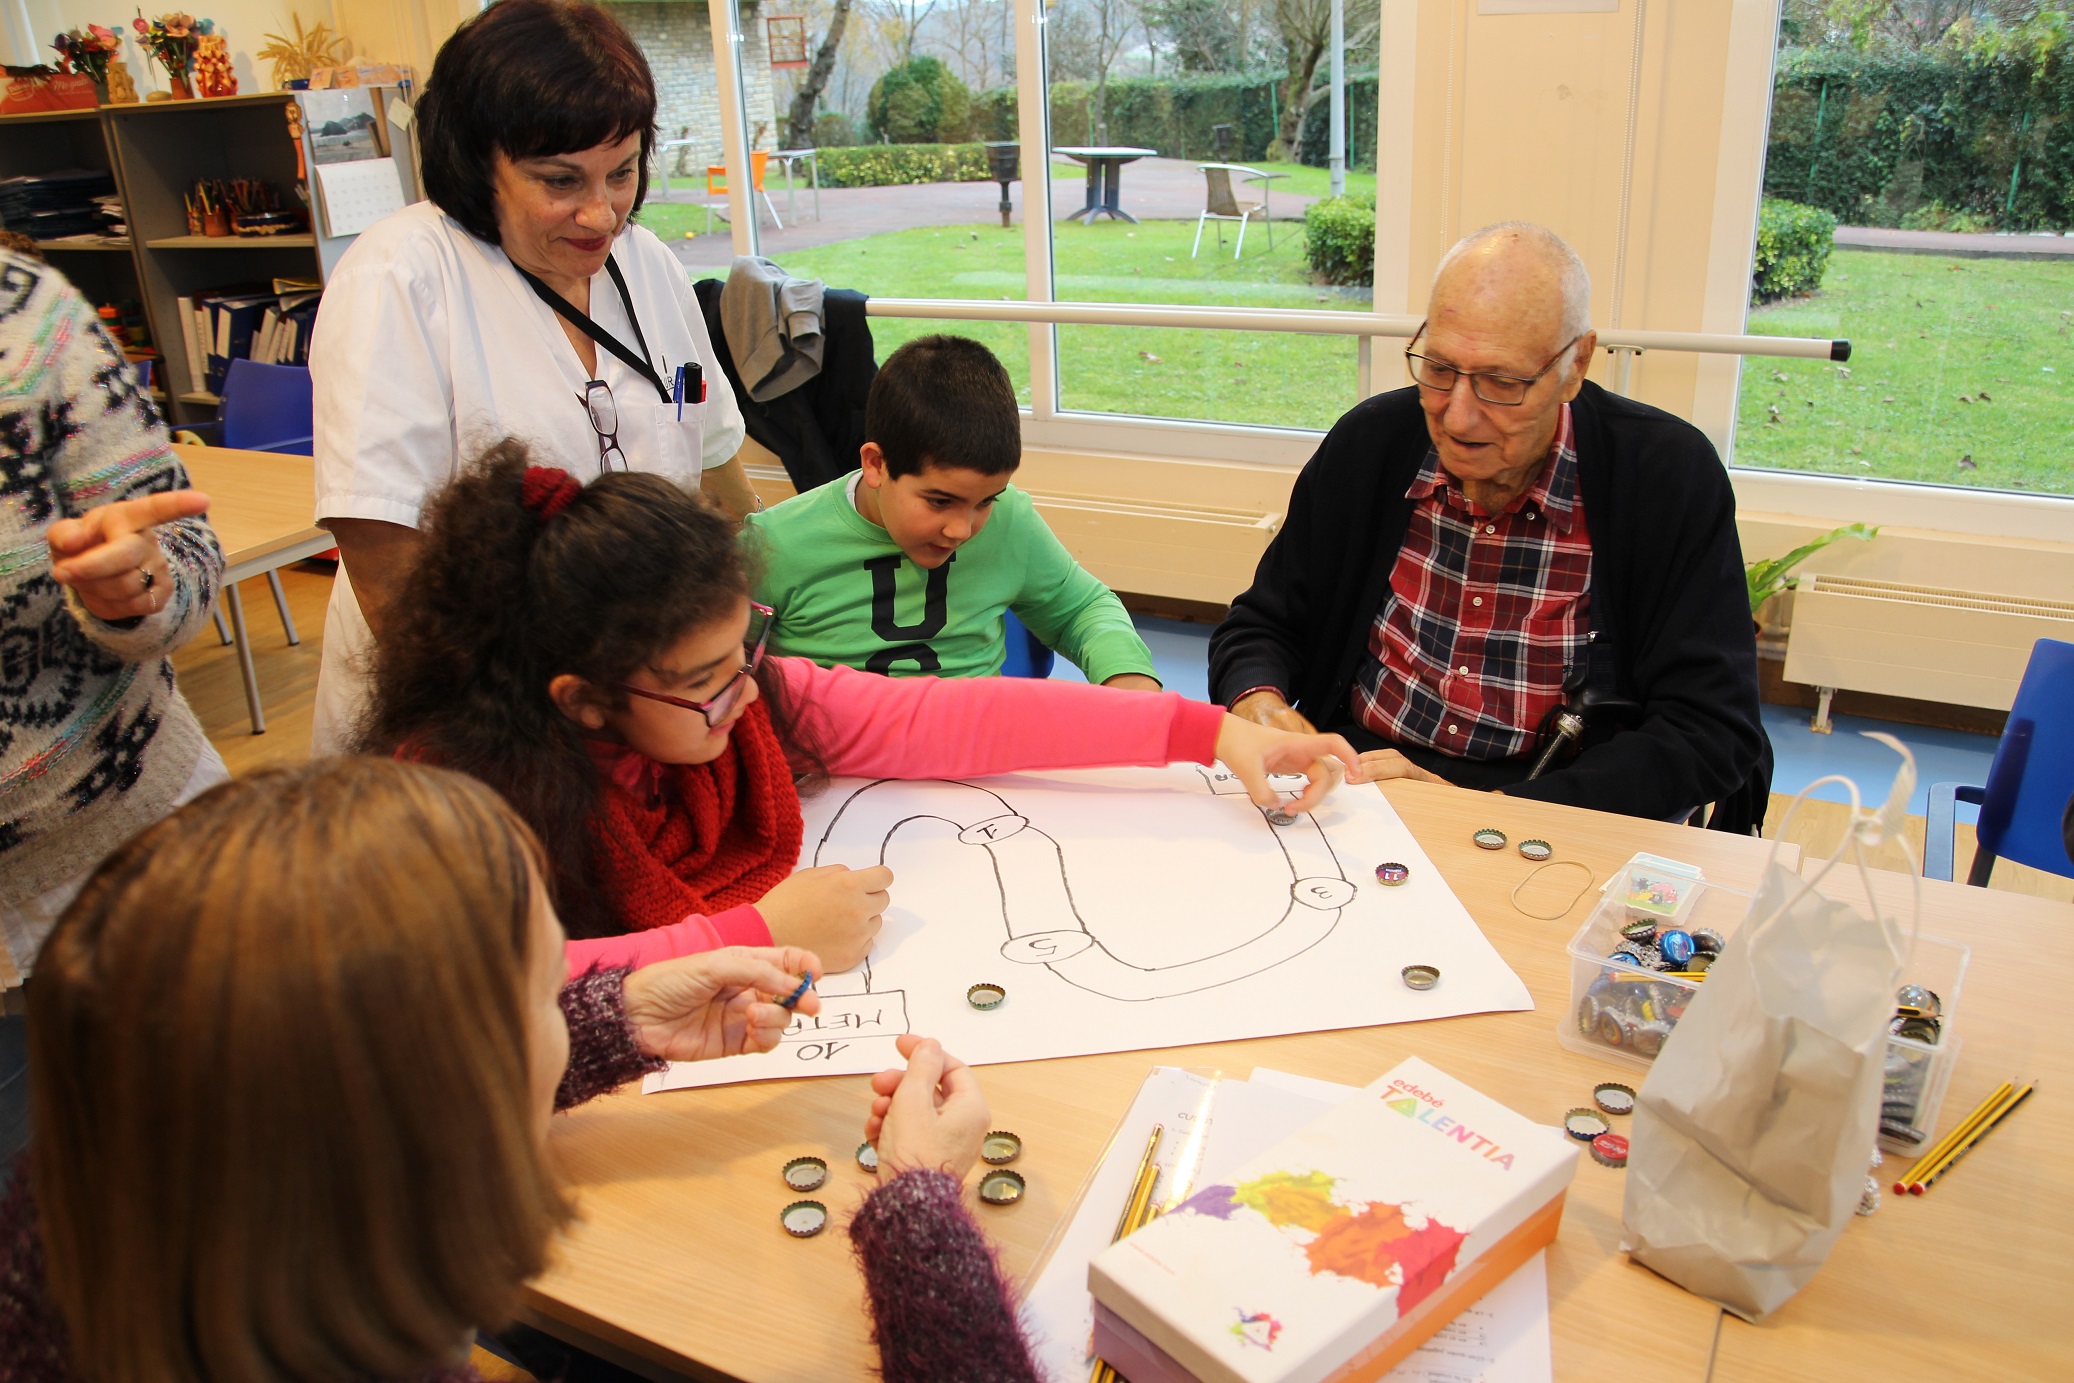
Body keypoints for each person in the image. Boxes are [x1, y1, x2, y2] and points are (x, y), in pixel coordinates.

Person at [0, 757, 1045, 1382]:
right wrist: (919, 1210)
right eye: (547, 985)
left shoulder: (99, 1191)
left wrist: (617, 1018)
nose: (567, 1001)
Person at [359, 442, 1359, 975]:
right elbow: (497, 987)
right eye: (707, 679)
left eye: (745, 649)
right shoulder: (460, 799)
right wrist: (757, 933)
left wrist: (1202, 728)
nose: (747, 692)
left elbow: (956, 718)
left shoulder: (744, 694)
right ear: (580, 703)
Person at [1210, 222, 1771, 831]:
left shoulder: (1664, 476)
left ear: (1575, 365)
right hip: (1360, 784)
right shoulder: (1371, 444)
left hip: (1553, 804)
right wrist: (1261, 707)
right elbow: (1263, 623)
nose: (1458, 415)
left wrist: (1479, 814)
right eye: (1441, 369)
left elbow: (1709, 729)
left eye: (1502, 382)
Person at [308, 0, 757, 756]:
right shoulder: (401, 276)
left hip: (646, 703)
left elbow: (710, 455)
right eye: (560, 181)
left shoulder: (647, 266)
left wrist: (749, 623)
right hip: (486, 717)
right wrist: (526, 734)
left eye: (622, 173)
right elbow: (388, 569)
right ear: (476, 160)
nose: (600, 214)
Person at [0, 251, 228, 1171]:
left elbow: (178, 539)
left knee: (227, 1156)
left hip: (126, 834)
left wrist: (138, 584)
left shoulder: (29, 320)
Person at [746, 334, 1160, 688]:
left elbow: (1079, 609)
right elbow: (719, 664)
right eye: (939, 502)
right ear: (876, 464)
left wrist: (1127, 676)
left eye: (985, 500)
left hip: (973, 763)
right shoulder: (772, 545)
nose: (961, 529)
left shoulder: (1010, 519)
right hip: (827, 766)